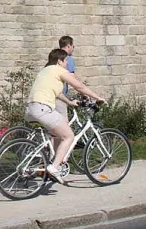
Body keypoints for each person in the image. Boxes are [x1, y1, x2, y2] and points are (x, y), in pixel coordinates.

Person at [25, 48, 105, 184]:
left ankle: (51, 161)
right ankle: (54, 167)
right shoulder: (59, 70)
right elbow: (79, 86)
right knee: (69, 136)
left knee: (58, 129)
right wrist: (98, 97)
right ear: (59, 61)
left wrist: (70, 102)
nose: (67, 63)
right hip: (43, 108)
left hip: (31, 109)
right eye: (66, 60)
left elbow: (58, 93)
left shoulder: (45, 71)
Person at [54, 36, 77, 118]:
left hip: (50, 96)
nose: (73, 49)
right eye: (73, 46)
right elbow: (73, 80)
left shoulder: (55, 57)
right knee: (64, 127)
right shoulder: (68, 59)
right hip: (59, 97)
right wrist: (84, 94)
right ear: (68, 46)